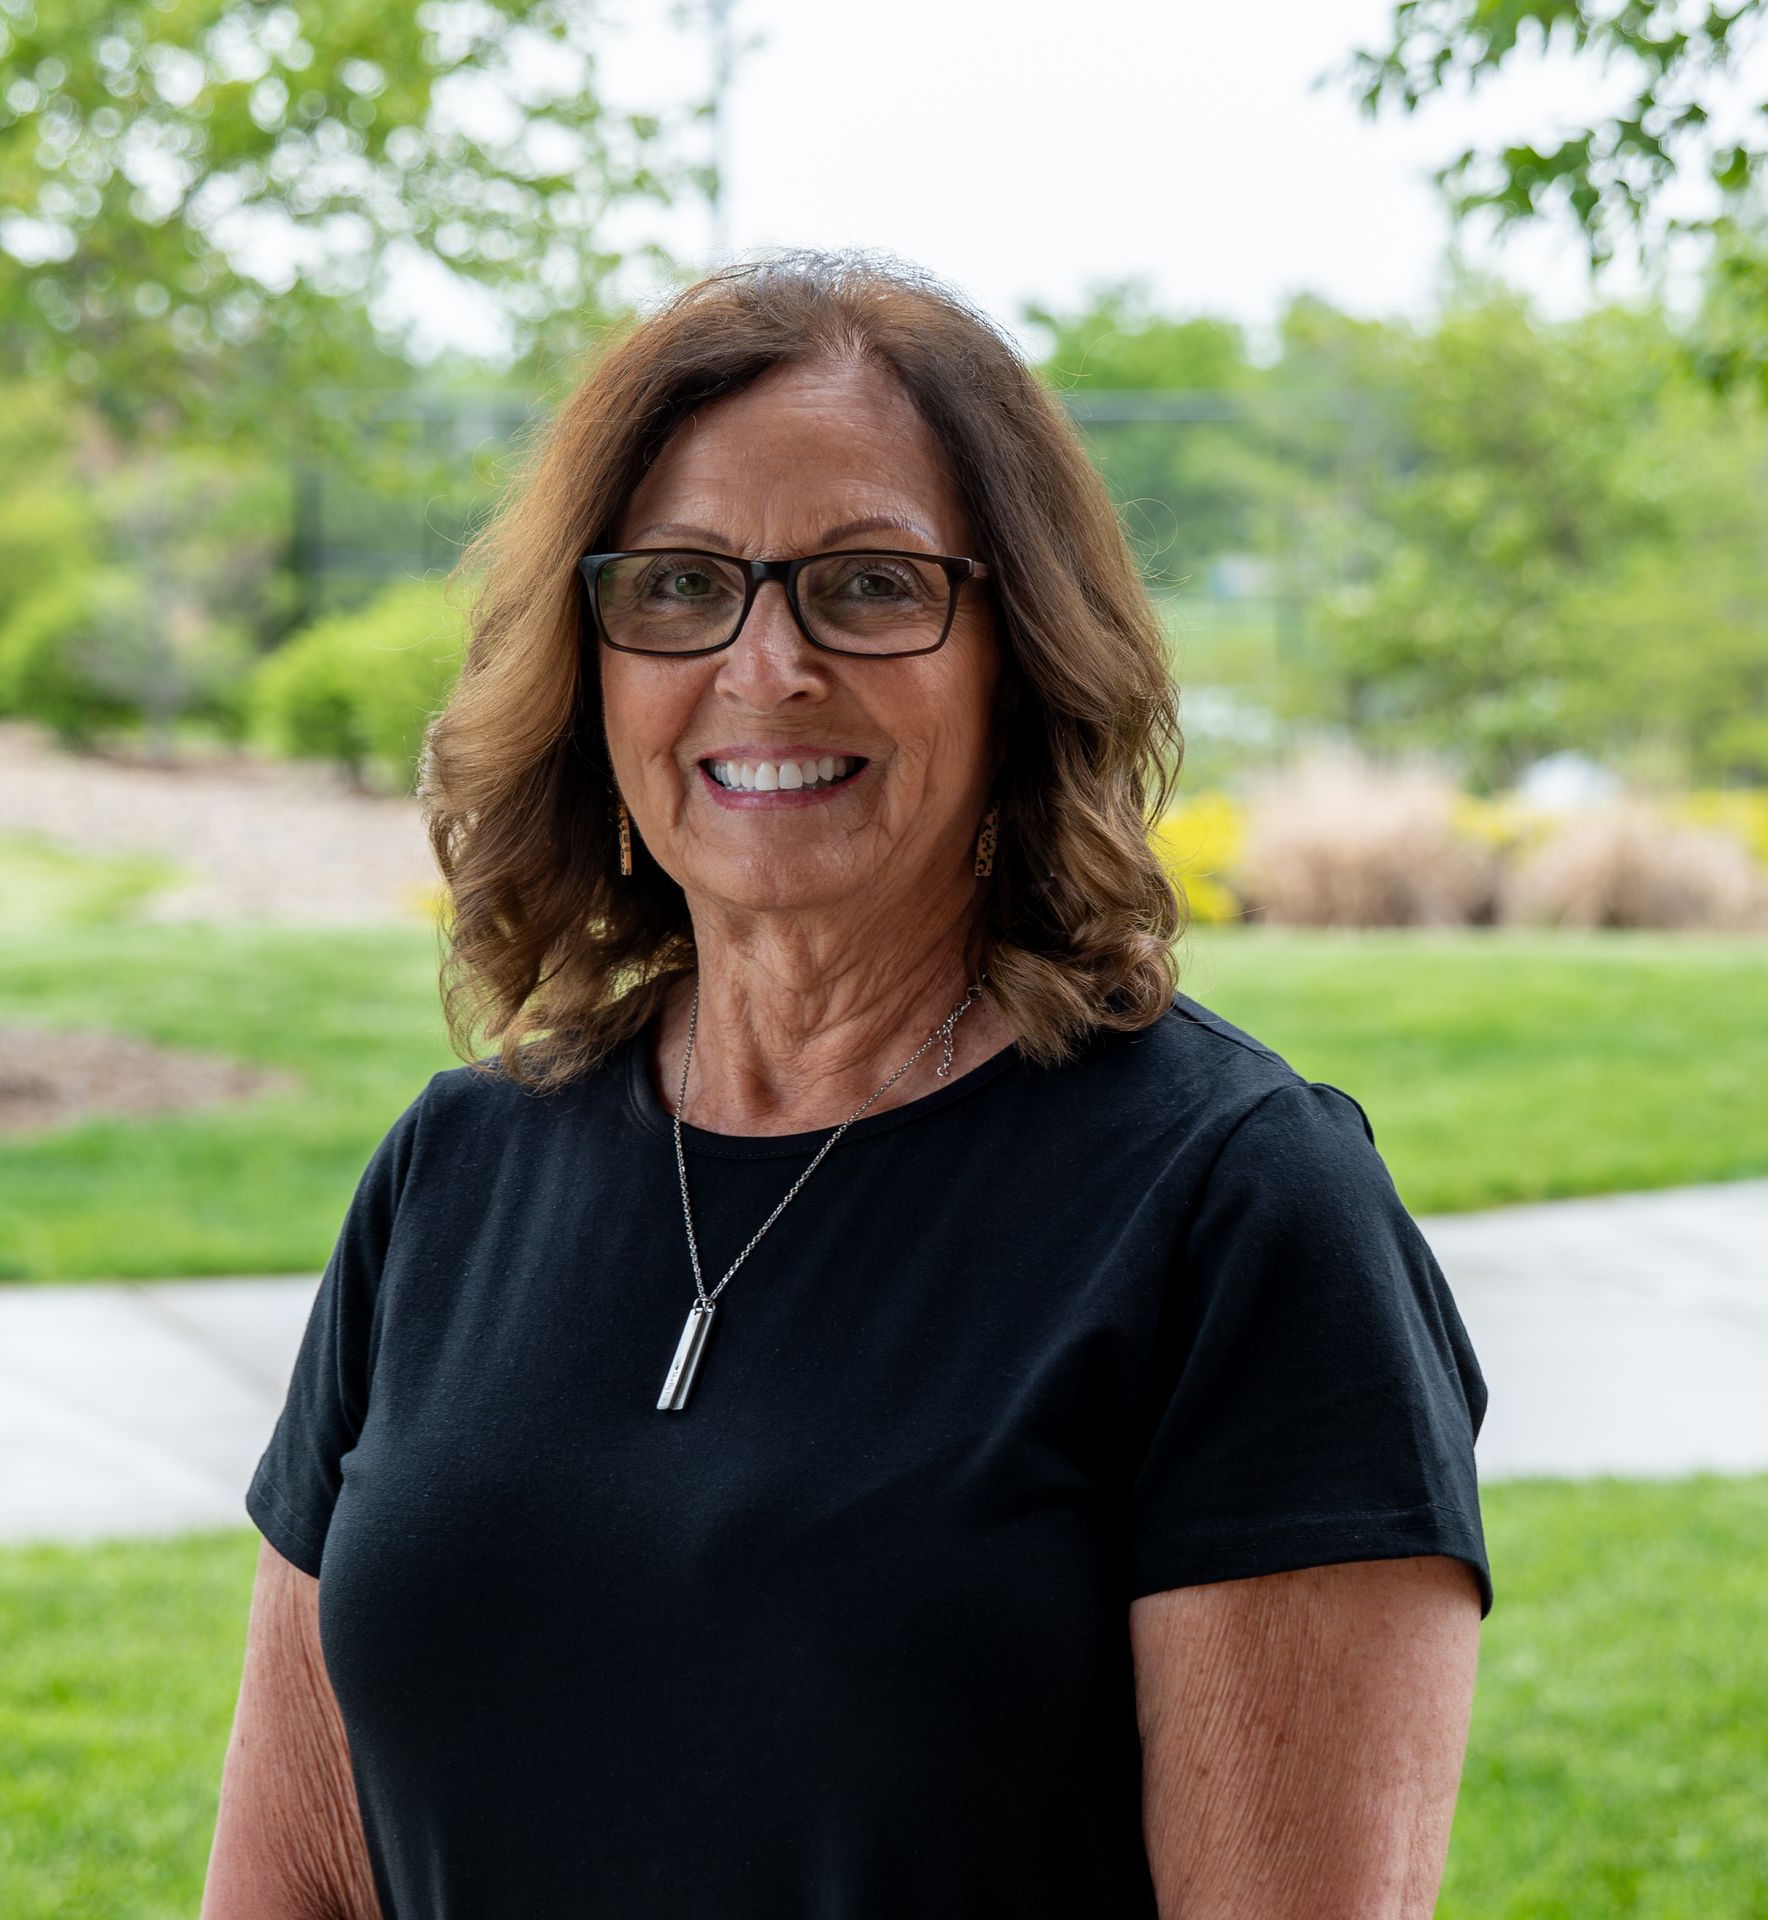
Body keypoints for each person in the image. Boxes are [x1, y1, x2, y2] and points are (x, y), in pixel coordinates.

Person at [202, 249, 1492, 1920]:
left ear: (1018, 655)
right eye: (677, 586)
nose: (767, 665)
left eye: (870, 586)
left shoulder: (1238, 1210)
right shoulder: (456, 1176)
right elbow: (289, 1881)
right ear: (590, 669)